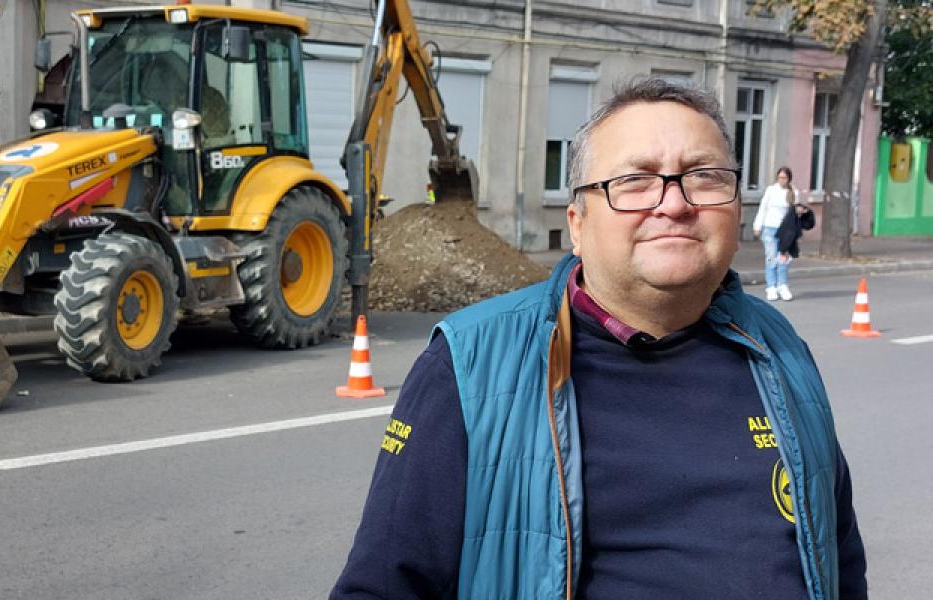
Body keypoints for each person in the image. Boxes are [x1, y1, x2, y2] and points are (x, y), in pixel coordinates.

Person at [330, 79, 866, 599]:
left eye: (704, 176)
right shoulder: (471, 365)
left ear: (737, 209)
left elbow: (839, 560)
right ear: (578, 225)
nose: (674, 204)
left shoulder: (778, 349)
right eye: (635, 180)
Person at [753, 167, 802, 301]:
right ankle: (771, 287)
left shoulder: (793, 192)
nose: (782, 180)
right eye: (780, 177)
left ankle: (782, 285)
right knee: (771, 258)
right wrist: (757, 225)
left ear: (789, 179)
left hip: (786, 231)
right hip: (769, 228)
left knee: (783, 259)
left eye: (784, 178)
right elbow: (763, 208)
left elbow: (796, 213)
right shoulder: (771, 190)